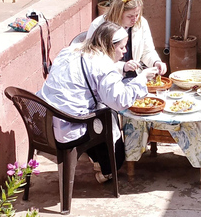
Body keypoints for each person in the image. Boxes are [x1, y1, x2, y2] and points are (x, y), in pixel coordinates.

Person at [38, 21, 158, 183]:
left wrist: (122, 68)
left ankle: (99, 161)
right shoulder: (103, 66)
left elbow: (89, 71)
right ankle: (110, 168)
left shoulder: (70, 50)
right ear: (109, 46)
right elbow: (119, 100)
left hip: (43, 122)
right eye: (122, 47)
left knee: (100, 107)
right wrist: (141, 78)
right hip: (67, 127)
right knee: (110, 115)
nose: (125, 51)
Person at [87, 0, 167, 80]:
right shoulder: (98, 25)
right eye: (130, 16)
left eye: (137, 15)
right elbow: (93, 59)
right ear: (118, 13)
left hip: (134, 76)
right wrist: (123, 67)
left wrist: (156, 62)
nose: (135, 19)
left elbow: (147, 51)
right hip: (107, 78)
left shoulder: (141, 23)